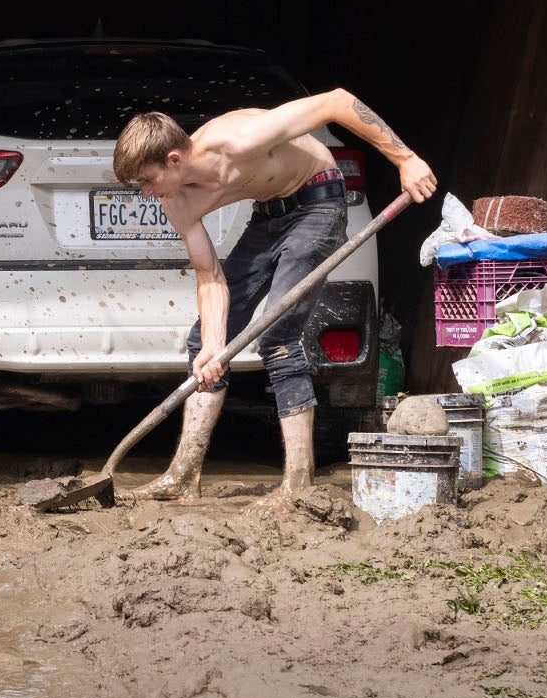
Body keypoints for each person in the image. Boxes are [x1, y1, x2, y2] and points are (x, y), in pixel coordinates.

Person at [112, 91, 437, 505]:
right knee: (203, 345)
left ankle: (298, 484)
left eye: (146, 180)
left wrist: (405, 160)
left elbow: (337, 101)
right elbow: (211, 277)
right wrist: (214, 346)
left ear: (174, 160)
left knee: (278, 337)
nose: (144, 193)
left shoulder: (242, 137)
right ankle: (182, 475)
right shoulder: (177, 201)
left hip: (319, 201)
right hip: (270, 215)